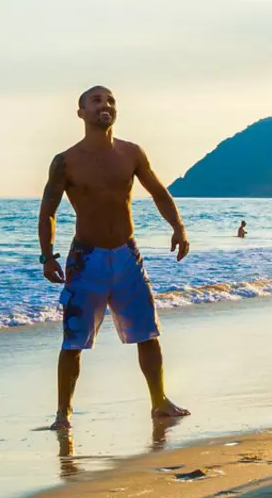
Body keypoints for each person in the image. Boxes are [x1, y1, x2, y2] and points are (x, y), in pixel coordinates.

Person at [37, 86, 193, 432]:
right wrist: (47, 257)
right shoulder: (66, 161)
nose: (104, 106)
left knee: (148, 334)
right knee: (73, 339)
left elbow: (159, 192)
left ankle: (159, 402)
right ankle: (63, 414)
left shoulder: (131, 153)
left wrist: (178, 228)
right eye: (95, 101)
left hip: (126, 255)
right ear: (81, 113)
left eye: (110, 101)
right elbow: (48, 210)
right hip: (85, 258)